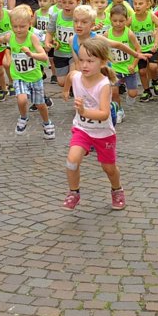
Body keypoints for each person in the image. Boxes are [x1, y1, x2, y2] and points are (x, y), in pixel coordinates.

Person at [62, 37, 126, 211]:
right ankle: (74, 192)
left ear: (102, 62)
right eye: (81, 60)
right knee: (71, 161)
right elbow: (70, 76)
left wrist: (84, 112)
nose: (84, 65)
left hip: (103, 133)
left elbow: (104, 114)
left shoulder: (104, 85)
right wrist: (66, 90)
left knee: (109, 168)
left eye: (90, 61)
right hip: (82, 129)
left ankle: (117, 189)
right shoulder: (77, 76)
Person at [0, 5, 56, 139]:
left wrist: (31, 54)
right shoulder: (10, 36)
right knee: (21, 99)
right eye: (15, 26)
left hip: (34, 77)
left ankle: (47, 123)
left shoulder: (32, 37)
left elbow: (44, 56)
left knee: (40, 104)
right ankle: (23, 117)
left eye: (22, 26)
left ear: (29, 24)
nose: (18, 30)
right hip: (19, 76)